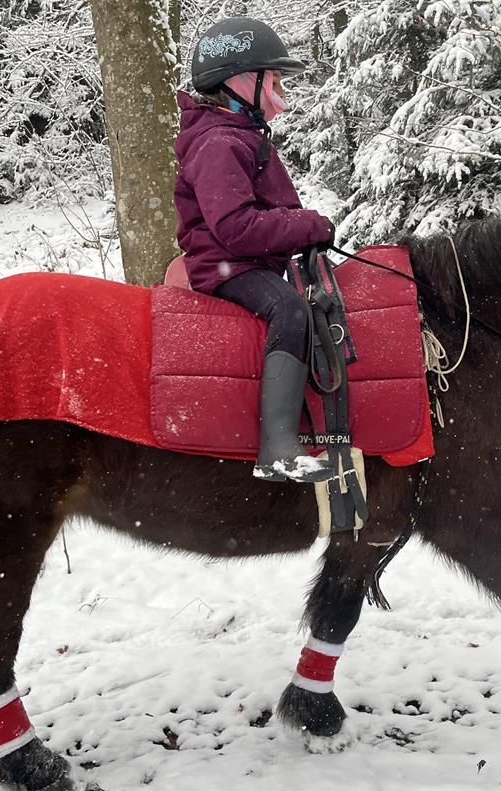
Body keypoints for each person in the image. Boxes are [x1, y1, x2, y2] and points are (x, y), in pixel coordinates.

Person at [174, 17, 335, 483]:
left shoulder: (238, 136)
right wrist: (305, 225)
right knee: (290, 310)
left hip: (245, 262)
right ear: (243, 81)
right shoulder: (219, 143)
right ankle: (278, 448)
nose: (282, 89)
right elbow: (234, 226)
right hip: (228, 267)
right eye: (276, 79)